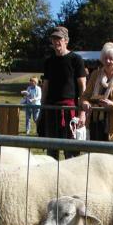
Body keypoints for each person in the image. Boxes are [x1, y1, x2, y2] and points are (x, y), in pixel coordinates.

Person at [38, 26, 86, 159]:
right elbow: (45, 87)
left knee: (71, 152)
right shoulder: (49, 61)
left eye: (59, 38)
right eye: (54, 39)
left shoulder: (76, 59)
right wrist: (42, 110)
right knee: (51, 151)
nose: (56, 42)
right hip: (51, 110)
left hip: (69, 110)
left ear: (66, 40)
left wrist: (82, 113)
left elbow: (83, 87)